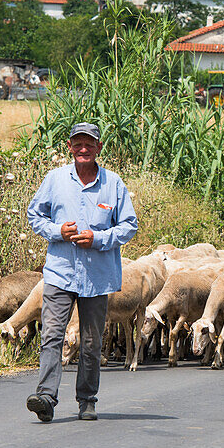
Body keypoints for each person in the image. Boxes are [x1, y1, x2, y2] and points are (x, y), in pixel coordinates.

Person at [25, 122, 138, 422]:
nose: (83, 149)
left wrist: (98, 239)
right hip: (61, 273)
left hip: (97, 277)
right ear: (69, 146)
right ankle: (46, 397)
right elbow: (34, 215)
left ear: (99, 147)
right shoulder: (55, 179)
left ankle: (87, 400)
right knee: (52, 335)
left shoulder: (113, 184)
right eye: (78, 143)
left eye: (89, 143)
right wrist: (57, 230)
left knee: (90, 341)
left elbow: (129, 225)